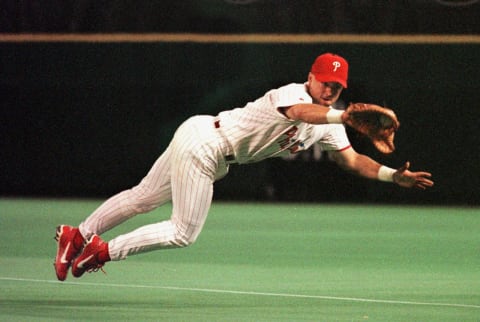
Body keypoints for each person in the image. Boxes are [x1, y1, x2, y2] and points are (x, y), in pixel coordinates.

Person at [54, 52, 434, 281]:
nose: (330, 89)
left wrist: (391, 175)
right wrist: (342, 118)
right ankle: (100, 252)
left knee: (143, 197)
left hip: (203, 135)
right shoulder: (294, 94)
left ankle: (79, 233)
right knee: (183, 231)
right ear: (311, 77)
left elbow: (353, 161)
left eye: (337, 85)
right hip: (207, 144)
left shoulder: (329, 125)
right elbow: (301, 113)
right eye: (325, 82)